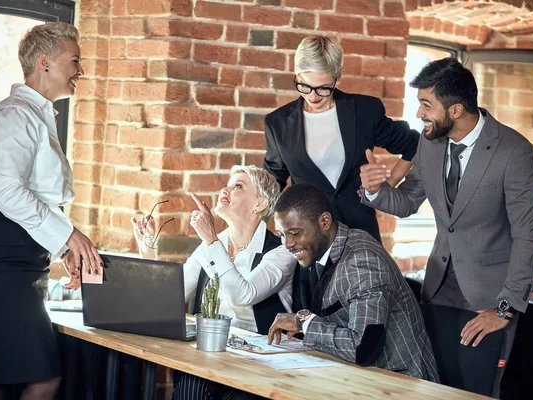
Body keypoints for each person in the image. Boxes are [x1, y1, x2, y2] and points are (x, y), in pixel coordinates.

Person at [360, 57, 533, 395]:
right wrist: (374, 190)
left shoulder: (515, 152)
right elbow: (407, 202)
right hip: (438, 287)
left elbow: (527, 237)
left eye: (426, 105)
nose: (419, 115)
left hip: (491, 297)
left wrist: (504, 311)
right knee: (429, 382)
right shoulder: (429, 143)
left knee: (476, 389)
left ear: (456, 110)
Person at [0, 22, 102, 400]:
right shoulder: (16, 114)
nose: (80, 72)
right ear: (45, 63)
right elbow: (7, 193)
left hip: (16, 256)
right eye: (75, 61)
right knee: (42, 376)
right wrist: (68, 235)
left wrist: (64, 245)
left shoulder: (38, 114)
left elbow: (33, 199)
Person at [132, 165, 296, 400]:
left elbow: (243, 294)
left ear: (260, 204)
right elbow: (171, 297)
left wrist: (210, 239)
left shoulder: (280, 252)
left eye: (237, 186)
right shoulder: (211, 244)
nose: (225, 189)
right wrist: (149, 254)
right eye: (227, 184)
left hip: (259, 365)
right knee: (191, 382)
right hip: (210, 355)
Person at [268, 183, 439, 382]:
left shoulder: (362, 260)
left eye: (295, 233)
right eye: (281, 235)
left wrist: (303, 323)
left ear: (324, 221)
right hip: (356, 379)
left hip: (401, 384)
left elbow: (363, 348)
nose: (287, 244)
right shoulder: (322, 249)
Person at [263, 35, 419, 243]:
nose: (313, 96)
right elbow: (273, 183)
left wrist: (386, 187)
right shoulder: (278, 123)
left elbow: (413, 144)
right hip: (308, 239)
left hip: (360, 232)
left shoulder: (365, 111)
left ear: (338, 77)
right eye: (304, 86)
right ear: (296, 74)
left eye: (324, 88)